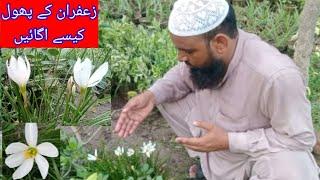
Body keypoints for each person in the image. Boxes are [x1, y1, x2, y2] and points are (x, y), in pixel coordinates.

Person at [114, 0, 320, 179]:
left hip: (254, 156)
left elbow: (299, 139)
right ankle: (208, 167)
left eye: (188, 51)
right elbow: (180, 76)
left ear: (220, 43)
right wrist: (151, 95)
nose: (180, 58)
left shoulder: (276, 76)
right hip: (219, 143)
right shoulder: (213, 53)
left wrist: (230, 141)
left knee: (293, 169)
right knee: (165, 95)